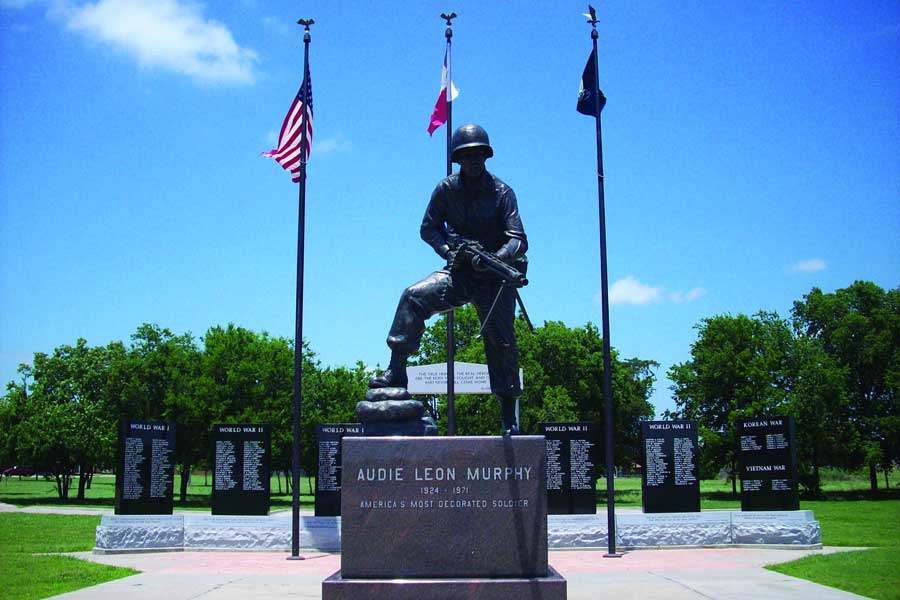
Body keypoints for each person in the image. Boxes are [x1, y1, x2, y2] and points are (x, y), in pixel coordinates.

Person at [369, 123, 528, 435]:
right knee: (412, 297)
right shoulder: (446, 190)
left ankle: (509, 415)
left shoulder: (502, 192)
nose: (473, 160)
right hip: (459, 273)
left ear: (486, 155)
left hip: (494, 279)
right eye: (466, 155)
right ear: (458, 159)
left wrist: (496, 258)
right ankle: (396, 371)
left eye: (478, 154)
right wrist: (448, 251)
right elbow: (428, 228)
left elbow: (517, 238)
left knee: (502, 340)